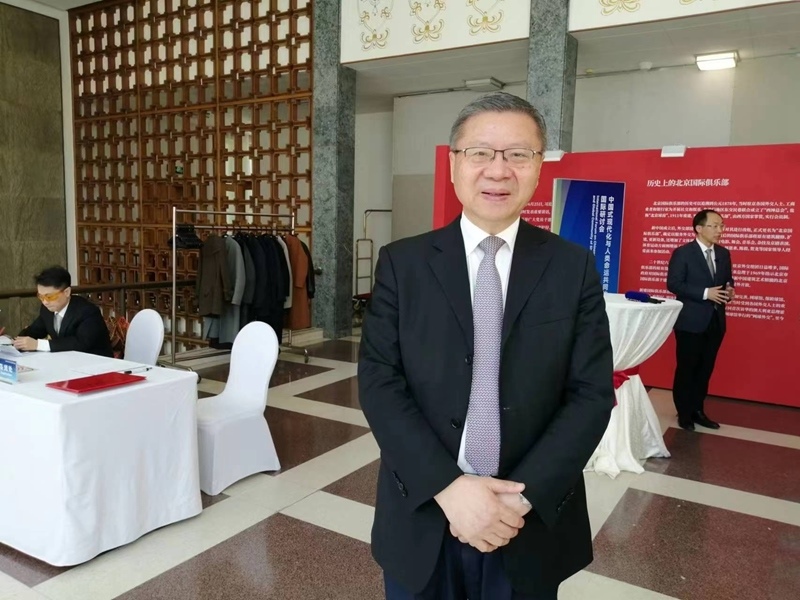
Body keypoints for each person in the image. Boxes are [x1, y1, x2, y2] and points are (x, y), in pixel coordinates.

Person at [358, 92, 615, 600]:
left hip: (527, 520)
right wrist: (449, 488)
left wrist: (518, 501)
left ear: (538, 168)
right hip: (424, 510)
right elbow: (379, 382)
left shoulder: (573, 267)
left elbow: (590, 394)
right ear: (454, 165)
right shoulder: (402, 264)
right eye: (480, 153)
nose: (498, 170)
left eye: (518, 154)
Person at [666, 209, 734, 431]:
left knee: (705, 368)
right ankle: (684, 413)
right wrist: (706, 293)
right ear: (699, 228)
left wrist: (730, 290)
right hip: (690, 321)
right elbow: (674, 284)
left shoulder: (723, 253)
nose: (719, 230)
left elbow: (727, 280)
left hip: (715, 320)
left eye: (721, 226)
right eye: (714, 226)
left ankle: (698, 410)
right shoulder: (683, 253)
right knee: (687, 368)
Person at [13, 266, 114, 358]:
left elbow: (81, 343)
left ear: (67, 292)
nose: (45, 302)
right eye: (41, 296)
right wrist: (17, 341)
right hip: (66, 361)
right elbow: (34, 330)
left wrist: (38, 345)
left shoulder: (87, 311)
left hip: (95, 363)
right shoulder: (47, 309)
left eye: (50, 297)